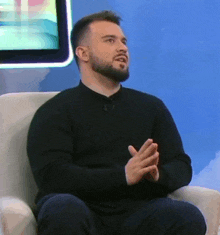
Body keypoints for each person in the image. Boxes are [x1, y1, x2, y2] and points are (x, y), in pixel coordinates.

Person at [27, 10, 207, 235]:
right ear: (83, 53)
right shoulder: (55, 111)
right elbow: (52, 176)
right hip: (80, 208)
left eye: (123, 41)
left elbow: (181, 165)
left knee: (186, 216)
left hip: (139, 211)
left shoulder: (151, 107)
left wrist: (158, 174)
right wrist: (122, 175)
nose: (122, 48)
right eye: (110, 41)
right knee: (63, 209)